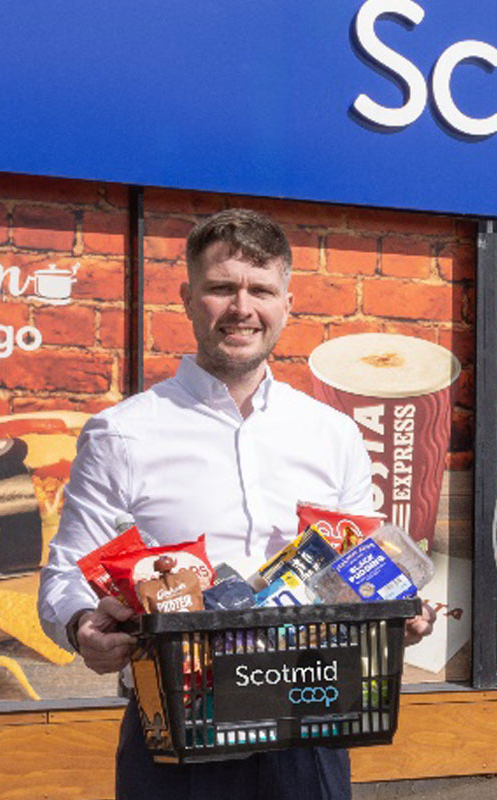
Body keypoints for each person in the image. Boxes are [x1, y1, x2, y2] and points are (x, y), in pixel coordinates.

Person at [37, 208, 436, 800]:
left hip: (313, 724)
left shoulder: (331, 433)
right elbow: (65, 574)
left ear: (287, 303)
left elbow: (364, 567)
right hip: (177, 729)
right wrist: (79, 626)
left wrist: (398, 613)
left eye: (261, 290)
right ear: (188, 298)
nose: (242, 308)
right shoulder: (122, 432)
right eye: (222, 287)